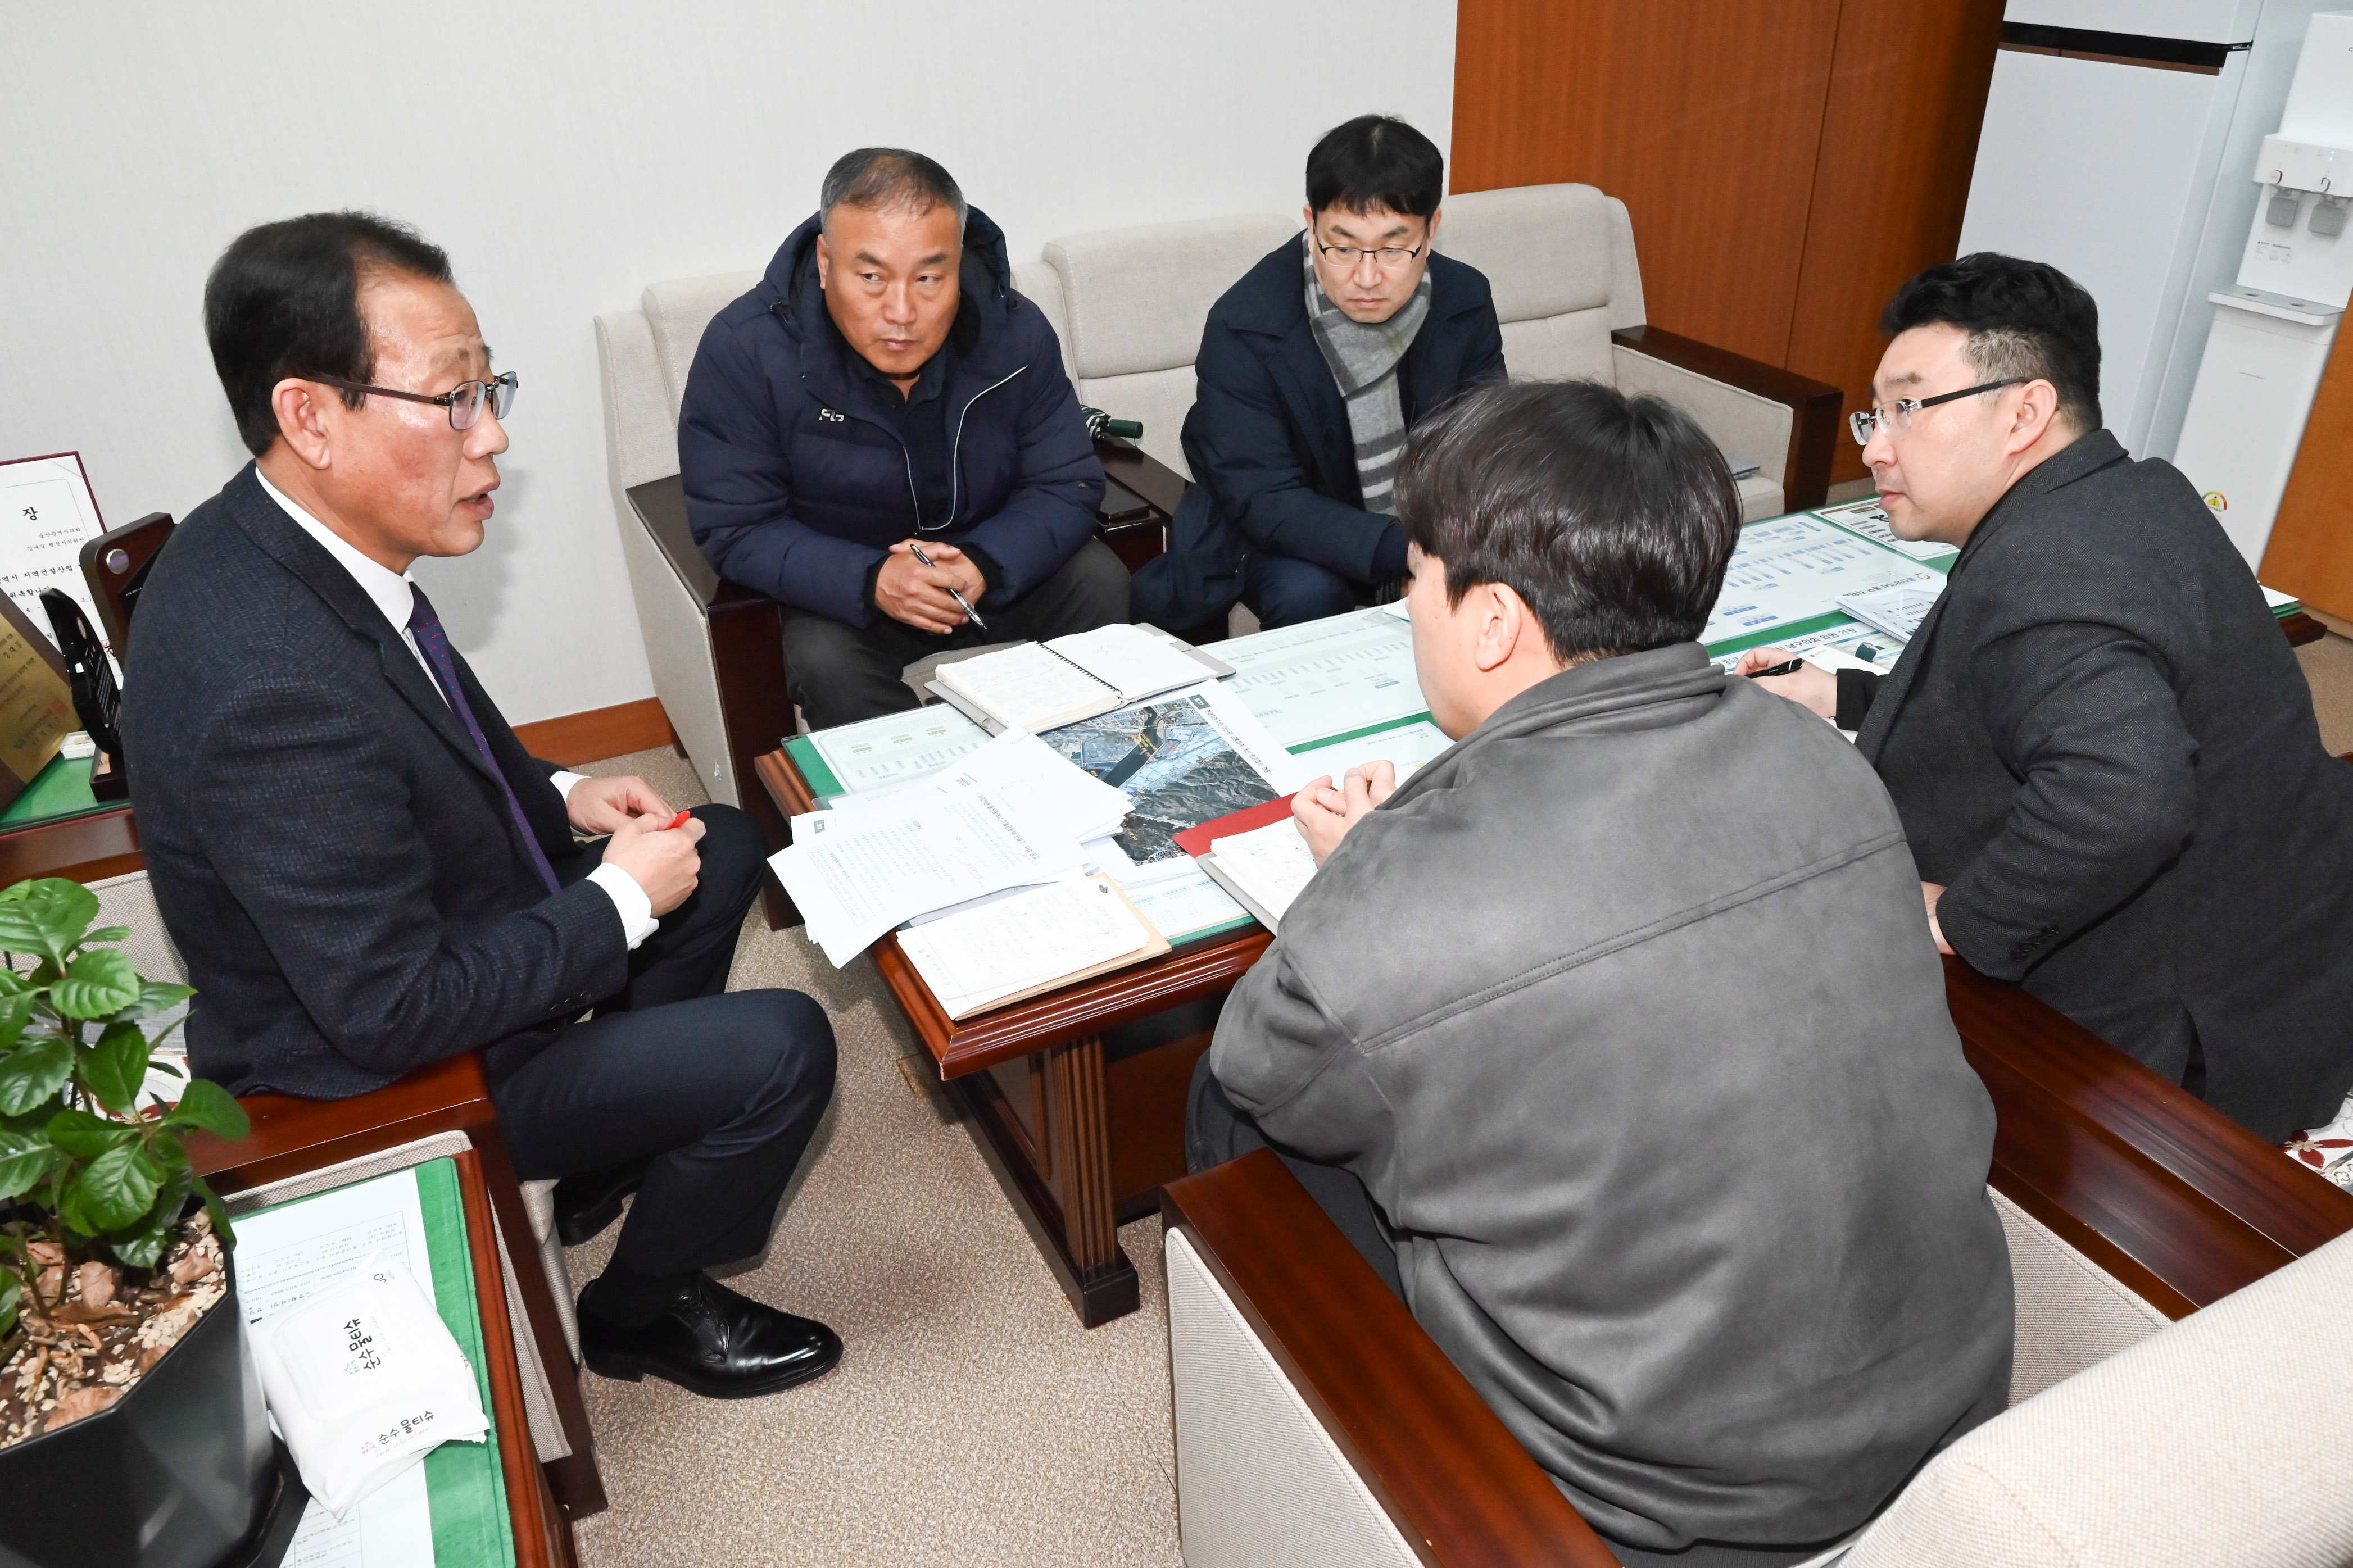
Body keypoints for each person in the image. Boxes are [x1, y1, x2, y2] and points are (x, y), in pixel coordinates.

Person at [1190, 379, 2013, 1566]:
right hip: (1945, 1404)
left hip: (1666, 1507)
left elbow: (1268, 1067)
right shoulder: (1813, 752)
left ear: (1489, 624)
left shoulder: (1405, 893)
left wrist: (1354, 882)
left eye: (1413, 579)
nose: (1406, 607)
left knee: (1226, 1106)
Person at [123, 212, 842, 1401]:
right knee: (784, 1045)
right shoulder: (266, 690)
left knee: (711, 839)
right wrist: (611, 904)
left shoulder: (295, 538)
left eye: (487, 386)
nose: (494, 435)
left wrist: (561, 798)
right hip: (382, 1066)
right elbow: (390, 1010)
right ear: (311, 416)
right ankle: (638, 1311)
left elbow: (435, 722)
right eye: (453, 400)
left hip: (444, 927)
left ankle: (606, 1155)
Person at [1739, 253, 2353, 1144]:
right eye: (1878, 412)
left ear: (2024, 410)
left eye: (1907, 407)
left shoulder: (2044, 571)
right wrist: (1849, 692)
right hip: (2290, 970)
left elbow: (2123, 793)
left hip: (2177, 1054)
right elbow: (2029, 696)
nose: (1873, 445)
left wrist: (1963, 918)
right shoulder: (2132, 495)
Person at [680, 148, 1123, 730]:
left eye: (929, 278)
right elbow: (736, 525)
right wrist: (873, 580)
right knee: (822, 659)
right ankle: (918, 798)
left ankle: (1089, 758)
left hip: (988, 561)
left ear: (958, 265)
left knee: (1099, 579)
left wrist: (987, 560)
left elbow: (1066, 481)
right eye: (870, 277)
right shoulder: (745, 351)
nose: (901, 312)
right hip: (849, 587)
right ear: (823, 261)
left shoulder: (1015, 331)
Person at [1132, 113, 1506, 632]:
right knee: (1307, 592)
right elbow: (1265, 500)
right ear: (1310, 223)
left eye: (1395, 247)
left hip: (1423, 529)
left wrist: (1453, 545)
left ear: (1433, 229)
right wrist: (1405, 553)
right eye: (1343, 246)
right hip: (1281, 534)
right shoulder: (1246, 325)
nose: (1368, 276)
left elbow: (1485, 451)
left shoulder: (1464, 300)